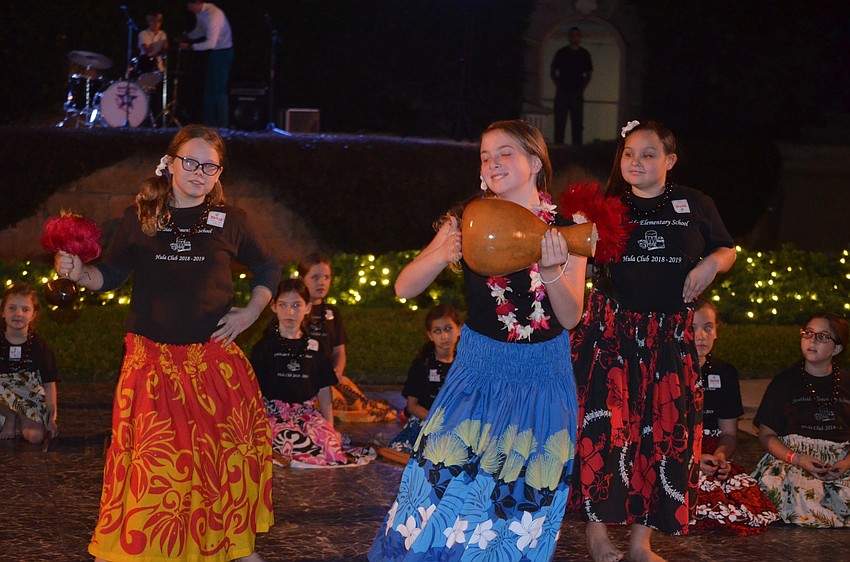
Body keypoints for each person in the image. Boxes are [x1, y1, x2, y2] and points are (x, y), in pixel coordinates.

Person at [54, 125, 278, 562]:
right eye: (190, 162)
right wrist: (79, 272)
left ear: (219, 173)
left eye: (209, 166)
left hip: (211, 363)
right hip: (151, 363)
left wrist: (251, 310)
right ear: (170, 163)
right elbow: (112, 274)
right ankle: (132, 544)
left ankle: (231, 545)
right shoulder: (139, 217)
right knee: (155, 464)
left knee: (219, 460)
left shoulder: (234, 221)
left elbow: (268, 266)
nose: (199, 172)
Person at [369, 119, 588, 561]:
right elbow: (404, 287)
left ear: (534, 161)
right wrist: (441, 253)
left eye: (505, 152)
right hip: (479, 369)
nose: (493, 163)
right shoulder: (465, 220)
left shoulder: (567, 228)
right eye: (486, 156)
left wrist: (552, 275)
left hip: (542, 374)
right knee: (444, 480)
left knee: (518, 495)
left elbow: (570, 316)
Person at [569, 120, 736, 562]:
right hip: (613, 332)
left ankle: (642, 541)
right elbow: (570, 254)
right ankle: (597, 531)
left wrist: (711, 265)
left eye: (647, 154)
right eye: (628, 154)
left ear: (670, 160)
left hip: (668, 336)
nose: (636, 162)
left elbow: (726, 248)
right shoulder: (605, 207)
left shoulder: (694, 203)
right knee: (605, 430)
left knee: (663, 434)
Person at [250, 278, 374, 467]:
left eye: (296, 305)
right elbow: (252, 390)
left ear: (307, 308)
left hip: (306, 414)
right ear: (273, 307)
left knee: (329, 446)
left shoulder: (315, 348)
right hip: (274, 415)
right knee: (291, 442)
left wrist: (330, 428)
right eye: (283, 305)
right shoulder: (264, 347)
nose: (289, 312)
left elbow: (324, 390)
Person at [752, 312, 850, 527]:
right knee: (789, 489)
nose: (812, 340)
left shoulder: (847, 382)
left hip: (841, 459)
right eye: (808, 333)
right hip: (794, 458)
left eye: (823, 336)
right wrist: (798, 458)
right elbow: (766, 434)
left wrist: (845, 462)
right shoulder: (784, 382)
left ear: (837, 348)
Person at [690, 300, 778, 535]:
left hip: (710, 449)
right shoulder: (666, 369)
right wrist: (692, 458)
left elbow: (728, 433)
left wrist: (720, 456)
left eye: (708, 327)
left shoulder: (724, 372)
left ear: (717, 331)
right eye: (692, 327)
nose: (701, 335)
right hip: (676, 451)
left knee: (744, 496)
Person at [299, 253, 396, 422]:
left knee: (356, 402)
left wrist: (337, 373)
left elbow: (339, 351)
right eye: (315, 277)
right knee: (332, 403)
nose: (321, 282)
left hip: (329, 378)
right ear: (302, 279)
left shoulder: (333, 313)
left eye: (326, 277)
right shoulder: (295, 311)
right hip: (302, 377)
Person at [387, 304, 461, 455]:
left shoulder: (465, 365)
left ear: (459, 329)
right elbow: (412, 406)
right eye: (437, 331)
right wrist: (437, 422)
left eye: (448, 329)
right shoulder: (423, 364)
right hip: (425, 421)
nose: (444, 336)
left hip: (456, 424)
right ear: (430, 335)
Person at [0, 284, 59, 444]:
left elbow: (49, 383)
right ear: (2, 312)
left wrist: (51, 418)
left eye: (25, 310)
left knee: (35, 436)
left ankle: (21, 419)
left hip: (28, 397)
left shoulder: (38, 345)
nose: (18, 314)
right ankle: (10, 417)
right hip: (1, 399)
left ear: (33, 315)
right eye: (12, 308)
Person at [181, 2, 233, 127]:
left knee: (219, 89)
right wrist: (187, 36)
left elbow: (211, 43)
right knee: (209, 89)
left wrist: (190, 47)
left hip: (223, 52)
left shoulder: (213, 15)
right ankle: (208, 122)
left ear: (197, 3)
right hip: (216, 53)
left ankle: (224, 125)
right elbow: (200, 30)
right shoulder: (201, 13)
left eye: (190, 6)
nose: (189, 10)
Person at [550, 26, 593, 145]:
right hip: (563, 91)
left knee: (577, 122)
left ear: (580, 37)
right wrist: (559, 86)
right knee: (559, 121)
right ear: (569, 37)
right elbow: (553, 72)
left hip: (576, 92)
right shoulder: (562, 53)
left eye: (577, 35)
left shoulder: (584, 54)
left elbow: (588, 74)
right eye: (572, 35)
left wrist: (581, 88)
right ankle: (558, 147)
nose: (574, 37)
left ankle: (577, 149)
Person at [136, 12, 169, 120]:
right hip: (145, 64)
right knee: (144, 91)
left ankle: (157, 117)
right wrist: (158, 46)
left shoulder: (162, 34)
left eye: (158, 21)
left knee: (157, 94)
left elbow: (165, 48)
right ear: (149, 22)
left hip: (159, 66)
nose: (156, 24)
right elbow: (147, 50)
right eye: (153, 21)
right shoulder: (143, 34)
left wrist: (159, 46)